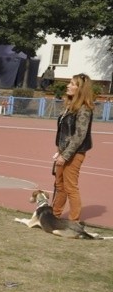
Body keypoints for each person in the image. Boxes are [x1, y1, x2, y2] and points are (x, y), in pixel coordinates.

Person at [52, 73, 93, 221]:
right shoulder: (69, 107)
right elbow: (64, 133)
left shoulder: (84, 109)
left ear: (80, 89)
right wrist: (59, 151)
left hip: (74, 153)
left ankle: (73, 221)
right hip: (64, 151)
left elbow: (79, 136)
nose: (68, 86)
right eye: (69, 83)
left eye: (72, 84)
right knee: (59, 185)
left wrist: (65, 155)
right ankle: (54, 216)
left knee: (70, 187)